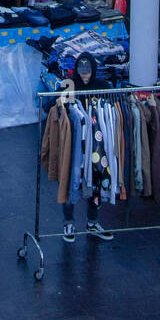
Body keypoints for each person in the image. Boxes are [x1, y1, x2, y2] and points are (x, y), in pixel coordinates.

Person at [58, 55, 114, 243]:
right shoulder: (68, 85)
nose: (84, 76)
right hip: (72, 143)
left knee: (94, 180)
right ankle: (68, 222)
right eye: (81, 72)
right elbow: (53, 107)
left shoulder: (102, 85)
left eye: (88, 72)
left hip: (95, 144)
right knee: (70, 180)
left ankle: (92, 222)